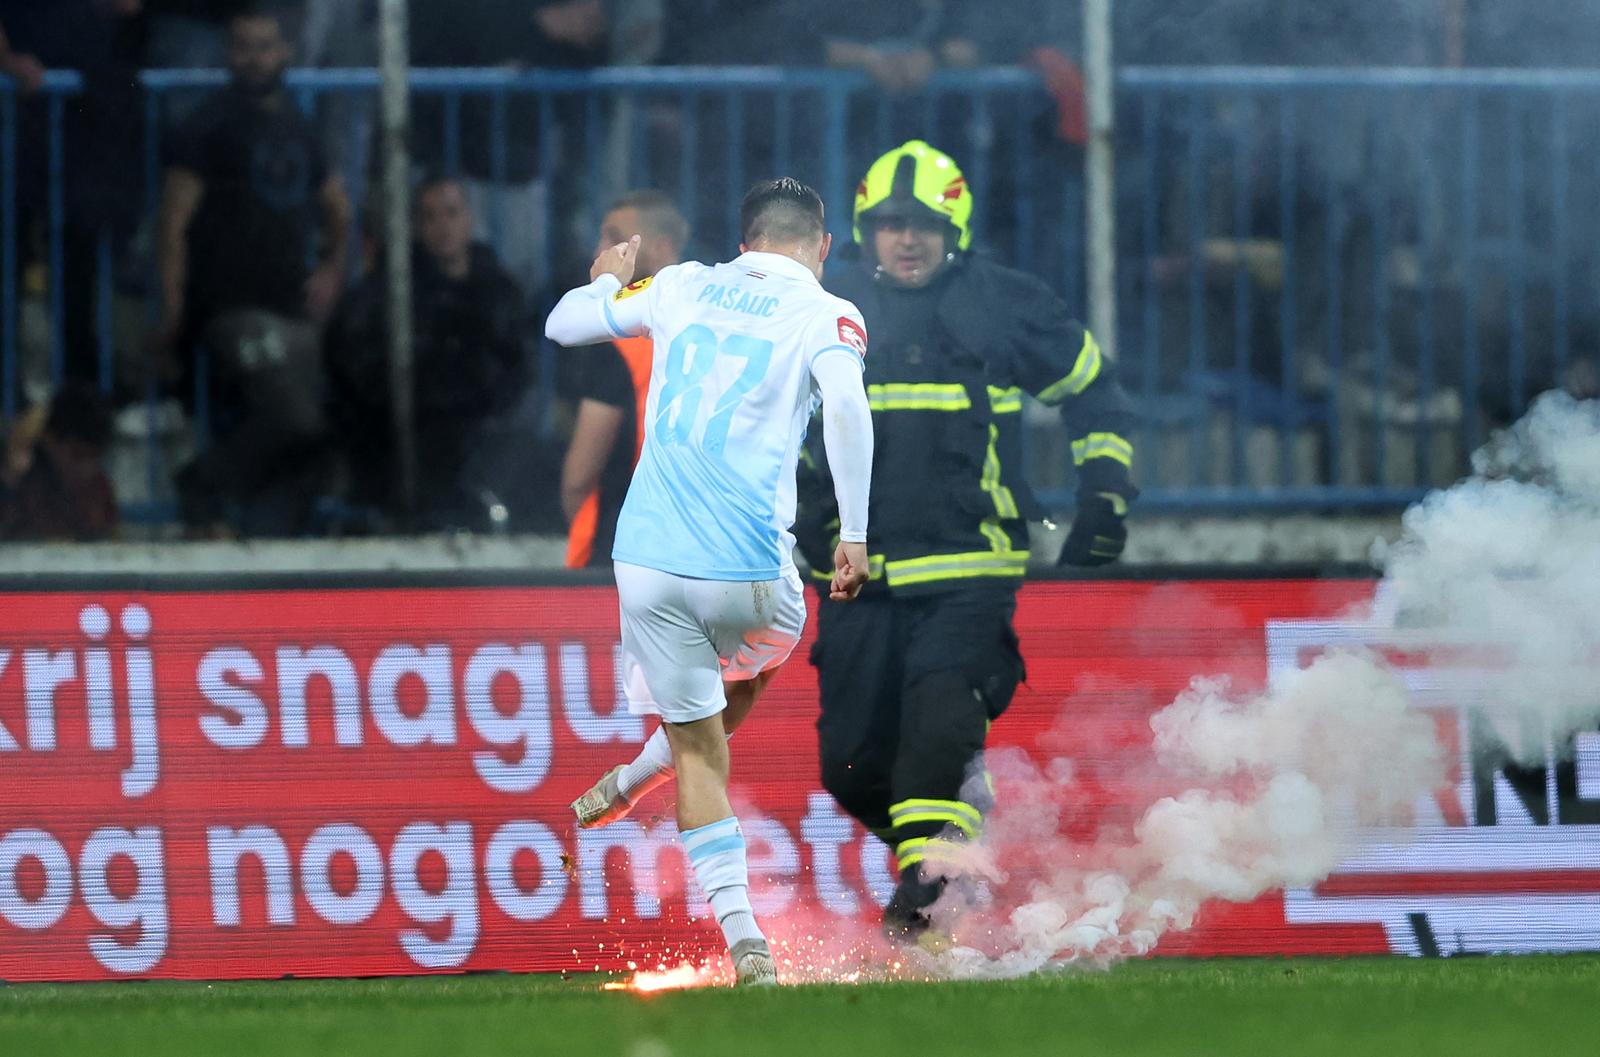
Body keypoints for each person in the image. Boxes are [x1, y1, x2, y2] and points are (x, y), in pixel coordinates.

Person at [577, 141, 1138, 946]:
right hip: (851, 584)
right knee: (851, 764)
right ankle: (950, 852)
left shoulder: (1006, 304)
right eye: (888, 224)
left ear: (958, 227)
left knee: (933, 749)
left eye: (924, 225)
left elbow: (1094, 391)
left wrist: (1106, 492)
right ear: (861, 232)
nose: (906, 238)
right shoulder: (821, 309)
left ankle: (927, 907)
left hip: (966, 572)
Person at [545, 178, 875, 986]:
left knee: (700, 750)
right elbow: (846, 409)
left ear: (745, 237)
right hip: (752, 574)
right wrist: (857, 535)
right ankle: (636, 780)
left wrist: (607, 276)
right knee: (733, 699)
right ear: (821, 247)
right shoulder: (828, 312)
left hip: (648, 565)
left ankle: (743, 941)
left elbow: (563, 326)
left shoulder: (684, 283)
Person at [153, 4, 349, 535]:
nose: (256, 58)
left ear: (284, 50)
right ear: (227, 52)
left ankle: (271, 539)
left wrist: (332, 267)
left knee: (323, 420)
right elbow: (172, 223)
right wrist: (172, 309)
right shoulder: (207, 124)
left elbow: (338, 207)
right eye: (244, 46)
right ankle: (201, 486)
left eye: (265, 46)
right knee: (294, 417)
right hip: (229, 307)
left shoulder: (299, 124)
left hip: (290, 306)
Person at [324, 175, 528, 529]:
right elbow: (356, 362)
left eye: (451, 213)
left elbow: (519, 362)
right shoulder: (389, 289)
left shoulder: (498, 289)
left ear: (469, 219)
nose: (442, 227)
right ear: (416, 226)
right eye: (429, 217)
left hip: (487, 424)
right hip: (412, 428)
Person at [560, 190, 688, 566]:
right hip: (706, 546)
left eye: (615, 239)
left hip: (625, 549)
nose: (600, 252)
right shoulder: (721, 327)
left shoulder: (618, 341)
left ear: (662, 247)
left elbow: (579, 477)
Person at [0, 383, 118, 541]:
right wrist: (10, 477)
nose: (86, 468)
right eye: (77, 455)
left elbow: (108, 537)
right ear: (51, 440)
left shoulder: (97, 487)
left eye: (94, 457)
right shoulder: (24, 476)